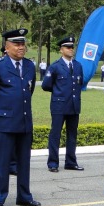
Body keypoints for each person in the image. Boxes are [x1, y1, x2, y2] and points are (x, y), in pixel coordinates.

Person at [0, 28, 40, 206]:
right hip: (5, 122)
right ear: (6, 47)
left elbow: (29, 91)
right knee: (2, 161)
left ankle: (24, 196)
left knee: (24, 162)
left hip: (24, 121)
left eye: (23, 44)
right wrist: (2, 110)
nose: (21, 47)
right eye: (16, 44)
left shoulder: (30, 66)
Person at [41, 36, 84, 173]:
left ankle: (71, 162)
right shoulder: (55, 66)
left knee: (72, 134)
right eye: (67, 47)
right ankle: (53, 163)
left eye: (72, 47)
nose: (71, 50)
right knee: (55, 134)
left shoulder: (77, 66)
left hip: (74, 105)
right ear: (61, 50)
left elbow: (79, 83)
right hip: (59, 105)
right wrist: (59, 93)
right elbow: (46, 85)